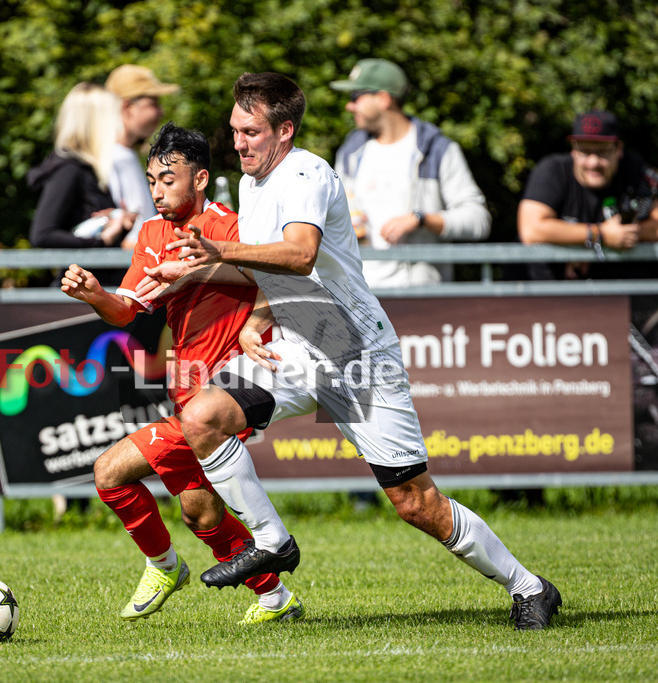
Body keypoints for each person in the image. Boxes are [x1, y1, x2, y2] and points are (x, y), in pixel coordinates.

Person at [141, 72, 561, 630]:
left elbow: (299, 254)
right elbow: (259, 264)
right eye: (235, 130)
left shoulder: (308, 172)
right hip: (295, 346)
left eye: (252, 132)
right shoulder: (250, 182)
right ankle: (272, 542)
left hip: (355, 352)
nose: (238, 142)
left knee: (416, 504)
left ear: (285, 131)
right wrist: (237, 299)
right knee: (203, 416)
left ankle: (530, 587)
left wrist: (214, 247)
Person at [60, 122, 303, 624]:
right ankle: (276, 600)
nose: (156, 191)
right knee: (201, 513)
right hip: (185, 396)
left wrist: (219, 288)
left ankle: (163, 565)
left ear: (200, 179)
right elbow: (128, 309)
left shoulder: (232, 227)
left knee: (109, 472)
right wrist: (95, 295)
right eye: (151, 180)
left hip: (226, 394)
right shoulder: (151, 234)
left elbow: (278, 277)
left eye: (168, 179)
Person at [330, 58, 490, 287]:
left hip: (418, 302)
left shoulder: (437, 150)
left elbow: (478, 220)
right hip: (360, 300)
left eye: (356, 97)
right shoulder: (349, 153)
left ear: (384, 98)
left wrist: (421, 219)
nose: (349, 106)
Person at [518, 109, 658, 280]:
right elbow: (531, 230)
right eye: (585, 152)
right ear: (573, 150)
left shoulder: (634, 170)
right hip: (549, 292)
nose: (593, 162)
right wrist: (599, 235)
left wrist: (622, 235)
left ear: (618, 149)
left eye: (602, 152)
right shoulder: (552, 170)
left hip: (614, 293)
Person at [27, 82, 136, 285]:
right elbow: (42, 234)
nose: (120, 125)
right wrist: (102, 240)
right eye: (114, 117)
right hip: (80, 296)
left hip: (97, 291)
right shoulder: (70, 170)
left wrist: (118, 223)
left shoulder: (88, 169)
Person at [105, 65, 180, 247]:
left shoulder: (125, 155)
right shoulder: (112, 158)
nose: (160, 112)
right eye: (153, 103)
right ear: (128, 107)